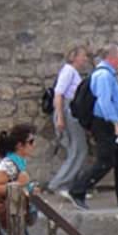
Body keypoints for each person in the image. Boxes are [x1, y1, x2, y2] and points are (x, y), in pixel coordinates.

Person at [66, 44, 118, 210]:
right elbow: (104, 102)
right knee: (105, 161)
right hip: (105, 124)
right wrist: (116, 123)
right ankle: (77, 190)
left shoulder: (107, 74)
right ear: (112, 58)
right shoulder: (103, 76)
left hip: (109, 123)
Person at [48, 45, 89, 194]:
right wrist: (60, 117)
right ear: (74, 57)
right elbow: (58, 95)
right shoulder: (69, 71)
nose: (85, 59)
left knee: (77, 149)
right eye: (83, 55)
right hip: (68, 111)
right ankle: (59, 183)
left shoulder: (71, 72)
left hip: (70, 110)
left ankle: (74, 186)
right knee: (79, 149)